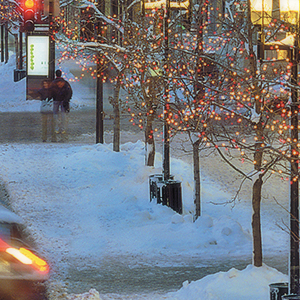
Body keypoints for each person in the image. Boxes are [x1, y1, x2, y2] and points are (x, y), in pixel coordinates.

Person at [51, 70, 73, 138]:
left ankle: (56, 128)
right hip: (63, 100)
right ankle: (63, 129)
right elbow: (70, 91)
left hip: (56, 100)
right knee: (64, 114)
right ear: (61, 74)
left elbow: (50, 91)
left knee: (55, 114)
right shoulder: (65, 83)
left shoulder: (53, 83)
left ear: (55, 74)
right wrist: (66, 99)